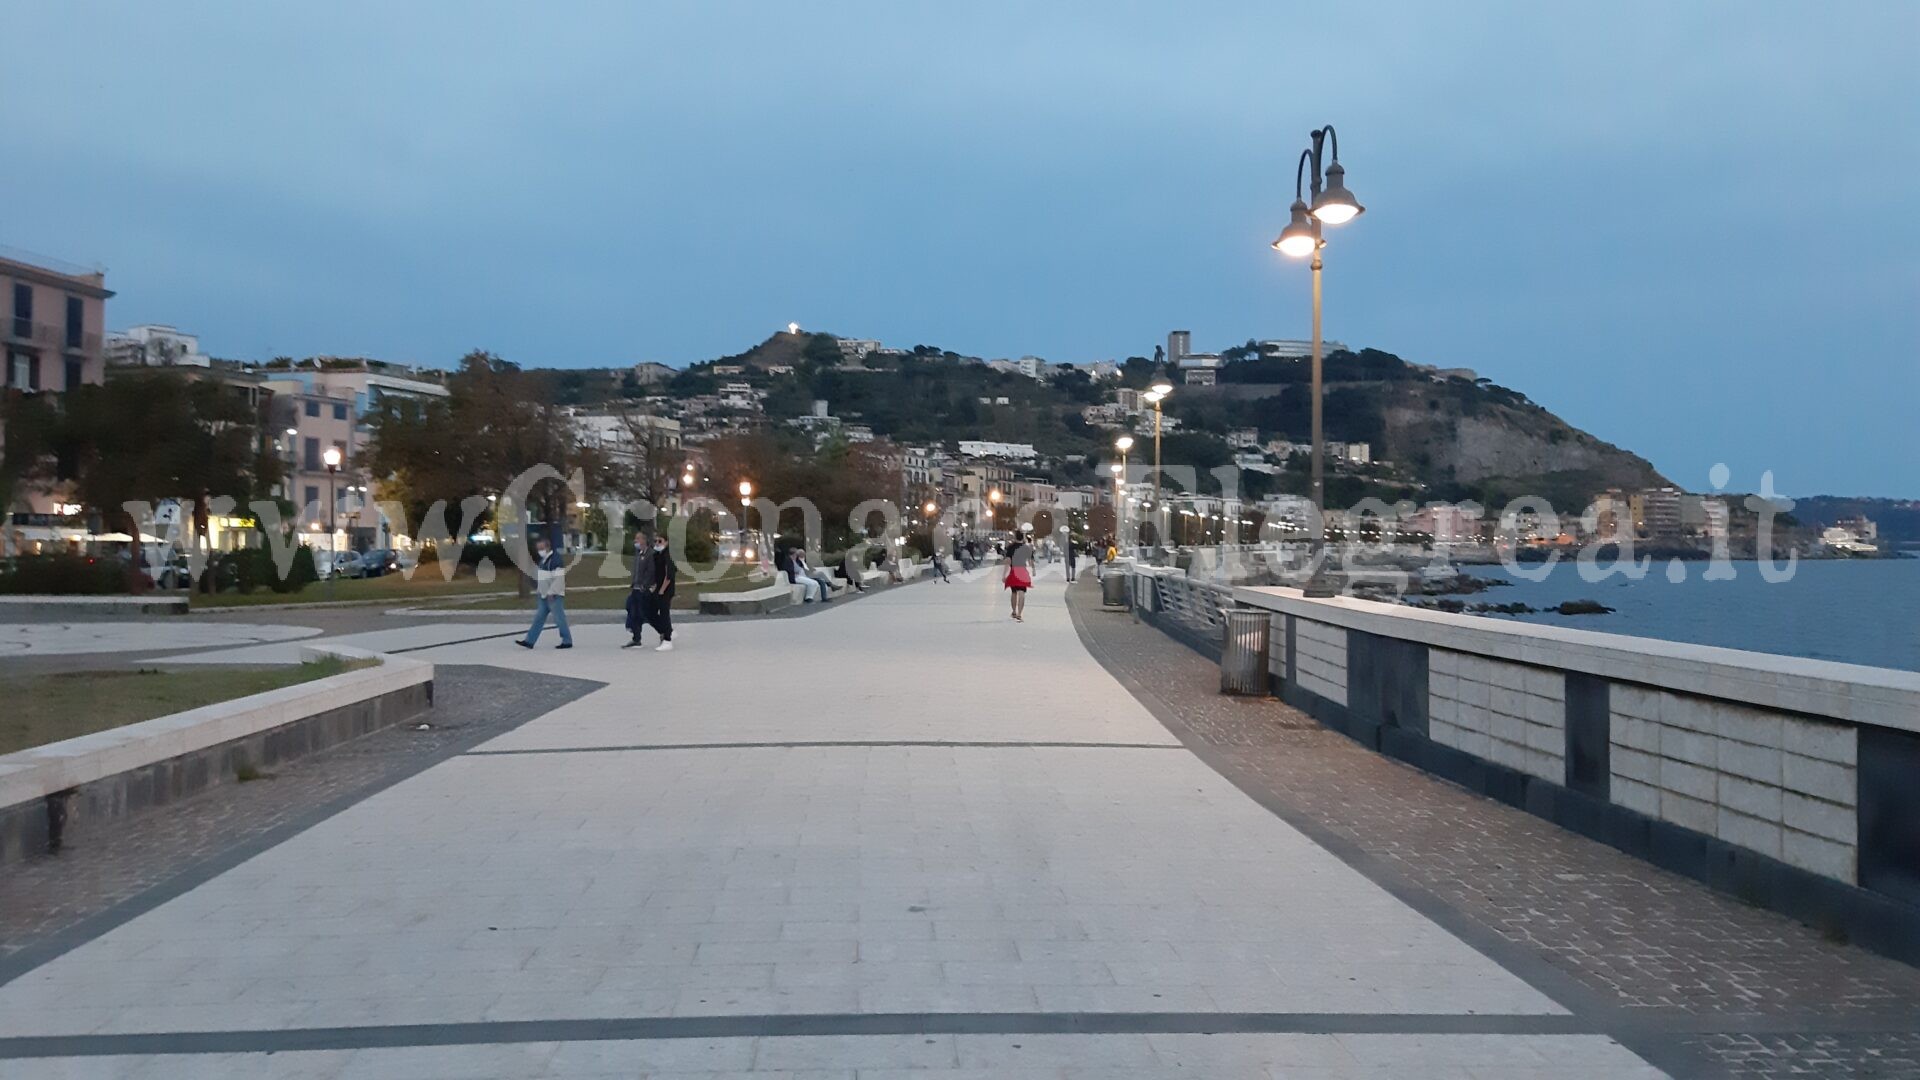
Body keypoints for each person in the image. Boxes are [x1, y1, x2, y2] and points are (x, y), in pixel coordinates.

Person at [517, 533, 572, 650]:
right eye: (538, 549)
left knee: (559, 618)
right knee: (539, 618)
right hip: (543, 595)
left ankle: (567, 641)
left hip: (553, 596)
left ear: (548, 547)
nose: (539, 551)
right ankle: (529, 641)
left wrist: (552, 592)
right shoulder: (544, 560)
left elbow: (559, 578)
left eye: (541, 548)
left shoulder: (555, 560)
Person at [642, 531, 675, 651]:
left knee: (664, 613)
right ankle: (666, 630)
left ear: (666, 542)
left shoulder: (668, 556)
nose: (657, 543)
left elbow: (668, 575)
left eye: (660, 541)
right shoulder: (657, 555)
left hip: (666, 590)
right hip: (658, 588)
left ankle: (667, 640)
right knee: (649, 611)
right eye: (655, 541)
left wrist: (661, 590)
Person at [623, 536, 652, 648]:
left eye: (638, 539)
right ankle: (636, 637)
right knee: (632, 609)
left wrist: (644, 586)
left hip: (643, 589)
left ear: (644, 540)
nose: (635, 541)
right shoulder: (638, 554)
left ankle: (664, 632)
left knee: (645, 614)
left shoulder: (649, 554)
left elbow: (650, 572)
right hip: (635, 587)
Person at [1004, 527, 1033, 621]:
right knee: (1022, 593)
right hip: (1022, 571)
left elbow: (1008, 561)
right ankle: (1020, 613)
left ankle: (1014, 611)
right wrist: (1034, 569)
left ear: (1015, 537)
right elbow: (1030, 560)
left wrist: (1004, 574)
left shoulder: (1011, 547)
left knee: (1014, 592)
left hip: (1014, 571)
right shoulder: (1026, 548)